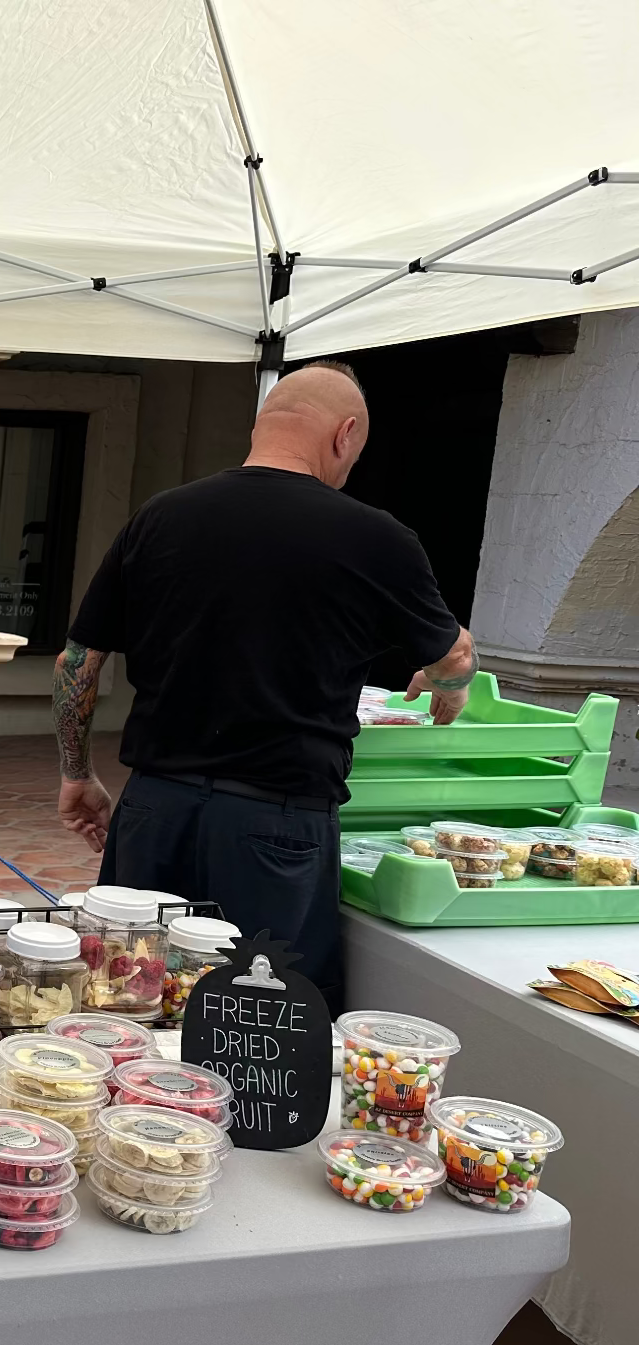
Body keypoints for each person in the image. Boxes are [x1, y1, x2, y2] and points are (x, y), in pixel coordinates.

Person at [51, 362, 475, 1013]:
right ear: (346, 435)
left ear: (262, 426)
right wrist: (449, 681)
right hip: (276, 822)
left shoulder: (161, 516)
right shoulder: (377, 537)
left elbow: (77, 661)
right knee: (261, 1024)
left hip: (155, 810)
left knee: (129, 1001)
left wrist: (76, 772)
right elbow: (452, 658)